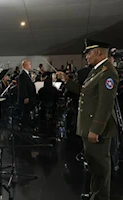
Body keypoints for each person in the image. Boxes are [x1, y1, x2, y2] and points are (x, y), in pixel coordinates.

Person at [57, 39, 119, 200]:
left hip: (96, 128)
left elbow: (105, 105)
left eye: (89, 53)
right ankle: (95, 194)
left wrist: (95, 129)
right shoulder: (96, 71)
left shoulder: (108, 73)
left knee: (100, 168)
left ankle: (100, 197)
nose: (87, 57)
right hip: (88, 126)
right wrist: (67, 80)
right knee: (94, 166)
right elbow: (84, 91)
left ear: (98, 52)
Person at [18, 60, 37, 130]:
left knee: (27, 111)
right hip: (26, 97)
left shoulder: (27, 74)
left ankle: (27, 124)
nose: (30, 66)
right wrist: (25, 97)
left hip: (30, 96)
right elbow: (23, 87)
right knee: (25, 112)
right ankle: (24, 126)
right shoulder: (22, 75)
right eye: (29, 64)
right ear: (25, 65)